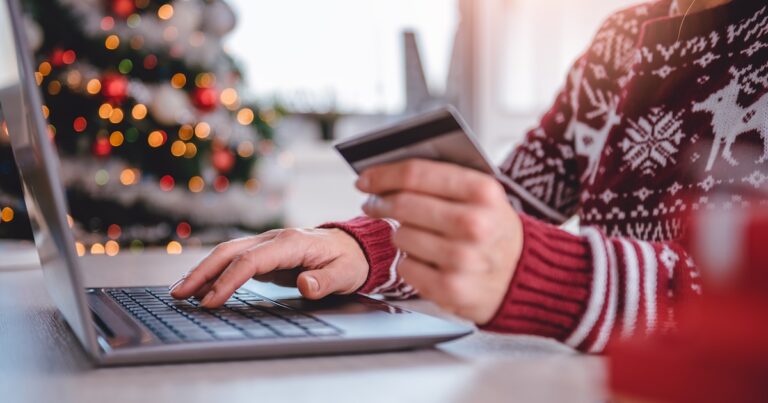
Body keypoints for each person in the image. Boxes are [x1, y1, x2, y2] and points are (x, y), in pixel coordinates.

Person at [171, 0, 768, 353]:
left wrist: (553, 276)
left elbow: (751, 302)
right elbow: (515, 204)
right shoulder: (620, 40)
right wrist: (364, 246)